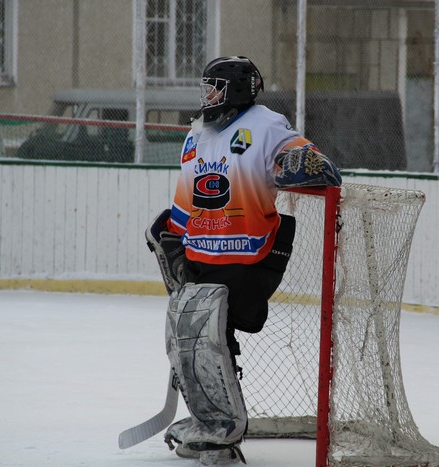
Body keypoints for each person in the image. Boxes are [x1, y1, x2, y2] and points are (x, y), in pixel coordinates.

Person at [145, 56, 341, 465]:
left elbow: (317, 166)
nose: (206, 96)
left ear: (236, 89)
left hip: (248, 257)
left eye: (214, 88)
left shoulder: (266, 125)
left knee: (211, 339)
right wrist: (173, 235)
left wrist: (299, 163)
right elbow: (188, 197)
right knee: (190, 339)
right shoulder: (196, 133)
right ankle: (210, 422)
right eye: (205, 88)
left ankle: (224, 432)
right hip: (201, 255)